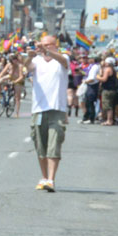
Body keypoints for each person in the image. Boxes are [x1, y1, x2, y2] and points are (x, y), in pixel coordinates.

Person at [28, 34, 69, 192]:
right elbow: (28, 67)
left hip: (57, 109)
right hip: (38, 109)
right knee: (40, 145)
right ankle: (44, 177)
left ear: (54, 45)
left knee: (54, 144)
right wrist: (28, 57)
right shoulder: (37, 61)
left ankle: (51, 179)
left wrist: (47, 52)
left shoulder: (62, 59)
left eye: (47, 45)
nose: (43, 48)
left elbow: (64, 62)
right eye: (42, 45)